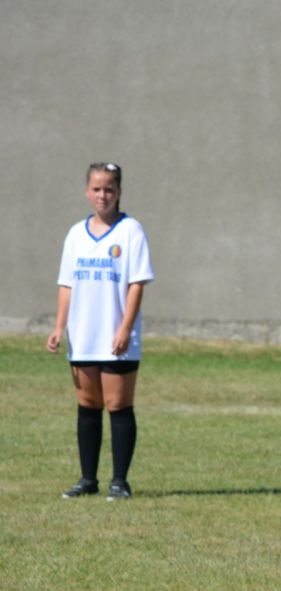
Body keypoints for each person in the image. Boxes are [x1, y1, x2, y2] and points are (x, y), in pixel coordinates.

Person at [46, 162, 154, 500]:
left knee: (118, 404)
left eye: (109, 189)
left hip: (117, 337)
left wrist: (125, 327)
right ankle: (87, 479)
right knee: (88, 404)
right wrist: (60, 326)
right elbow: (67, 284)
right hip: (83, 335)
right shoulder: (76, 233)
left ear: (119, 192)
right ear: (87, 191)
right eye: (96, 189)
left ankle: (120, 481)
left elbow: (136, 283)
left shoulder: (131, 231)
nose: (102, 195)